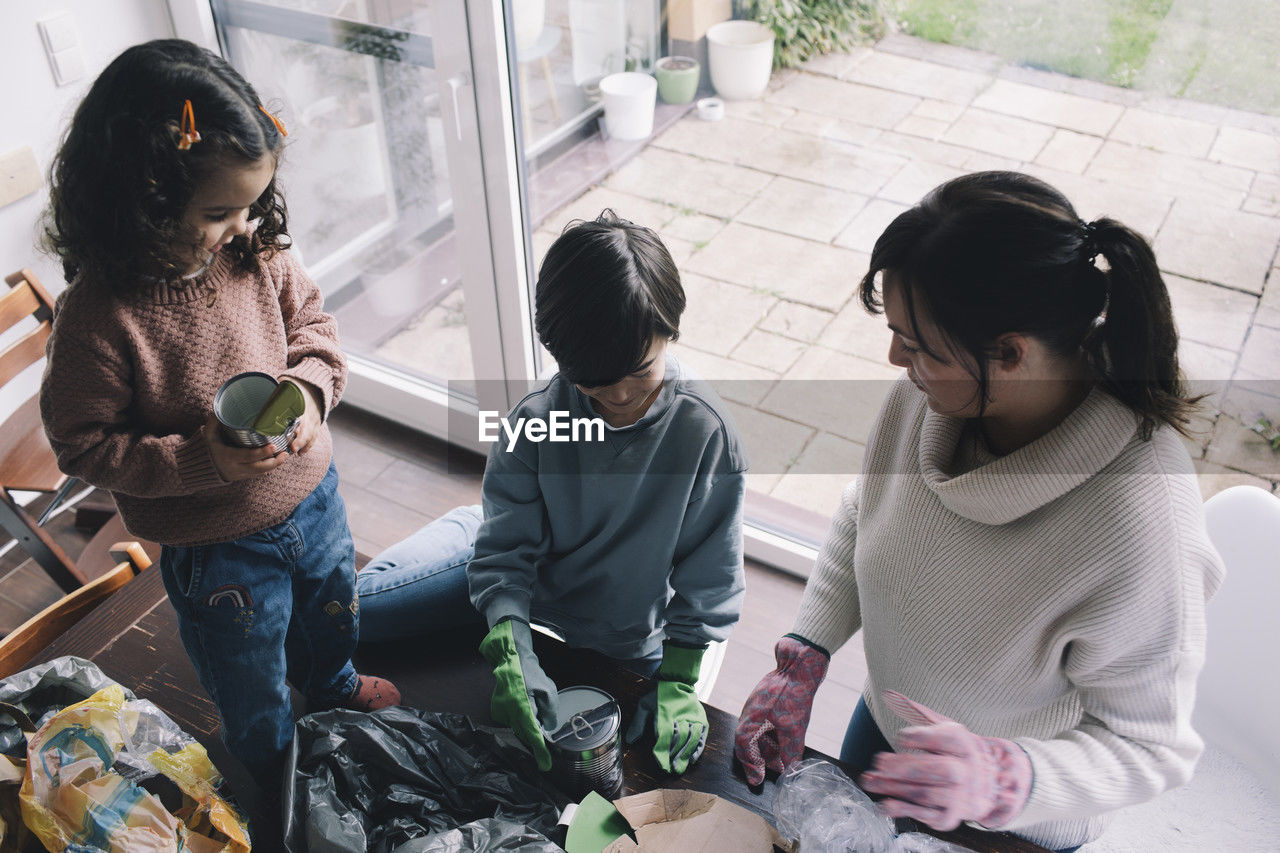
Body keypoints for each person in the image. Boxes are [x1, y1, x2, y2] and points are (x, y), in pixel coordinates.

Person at [733, 171, 1224, 852]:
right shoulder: (931, 395)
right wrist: (806, 653)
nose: (895, 356)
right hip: (888, 736)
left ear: (1011, 353)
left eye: (918, 343)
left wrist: (1001, 777)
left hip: (1018, 819)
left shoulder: (1142, 516)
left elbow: (1151, 747)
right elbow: (865, 513)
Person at [39, 39, 400, 790]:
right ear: (144, 199)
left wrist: (305, 390)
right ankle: (270, 758)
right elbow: (82, 444)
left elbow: (316, 331)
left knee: (332, 608)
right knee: (246, 668)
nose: (242, 224)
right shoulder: (99, 317)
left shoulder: (256, 250)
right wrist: (205, 460)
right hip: (213, 548)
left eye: (251, 203)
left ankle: (331, 683)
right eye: (218, 210)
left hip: (312, 497)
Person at [356, 210, 747, 775]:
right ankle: (475, 527)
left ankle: (488, 534)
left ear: (671, 331)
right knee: (356, 615)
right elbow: (506, 559)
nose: (617, 397)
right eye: (593, 379)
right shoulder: (535, 422)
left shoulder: (705, 433)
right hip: (532, 570)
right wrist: (511, 648)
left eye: (639, 371)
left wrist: (680, 680)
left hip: (625, 627)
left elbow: (709, 580)